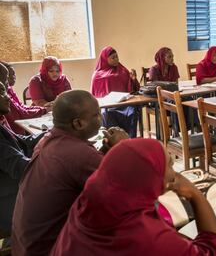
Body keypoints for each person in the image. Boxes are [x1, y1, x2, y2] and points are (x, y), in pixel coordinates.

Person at [50, 138, 216, 256]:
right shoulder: (148, 238)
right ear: (153, 179)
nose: (174, 172)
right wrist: (196, 195)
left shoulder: (86, 202)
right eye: (168, 165)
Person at [12, 90, 129, 256]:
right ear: (78, 124)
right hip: (50, 249)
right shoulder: (79, 154)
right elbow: (128, 190)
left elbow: (85, 169)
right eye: (97, 114)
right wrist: (125, 149)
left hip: (27, 246)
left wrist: (104, 151)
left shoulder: (48, 140)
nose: (101, 118)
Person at [0, 79, 44, 239]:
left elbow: (24, 141)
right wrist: (56, 165)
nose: (7, 97)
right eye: (1, 92)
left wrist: (54, 132)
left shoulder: (1, 124)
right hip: (7, 202)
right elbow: (20, 166)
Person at [91, 46, 140, 138]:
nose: (116, 59)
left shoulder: (123, 70)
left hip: (123, 104)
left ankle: (130, 139)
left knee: (133, 111)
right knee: (107, 114)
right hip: (108, 106)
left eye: (117, 56)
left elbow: (134, 91)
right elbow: (96, 96)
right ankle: (113, 141)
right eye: (113, 57)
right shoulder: (98, 75)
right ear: (105, 59)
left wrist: (133, 79)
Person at [0, 61, 50, 135]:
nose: (14, 77)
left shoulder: (9, 89)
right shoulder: (36, 80)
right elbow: (22, 113)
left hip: (19, 135)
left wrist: (45, 108)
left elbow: (21, 106)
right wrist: (45, 109)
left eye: (14, 74)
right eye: (7, 78)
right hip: (19, 132)